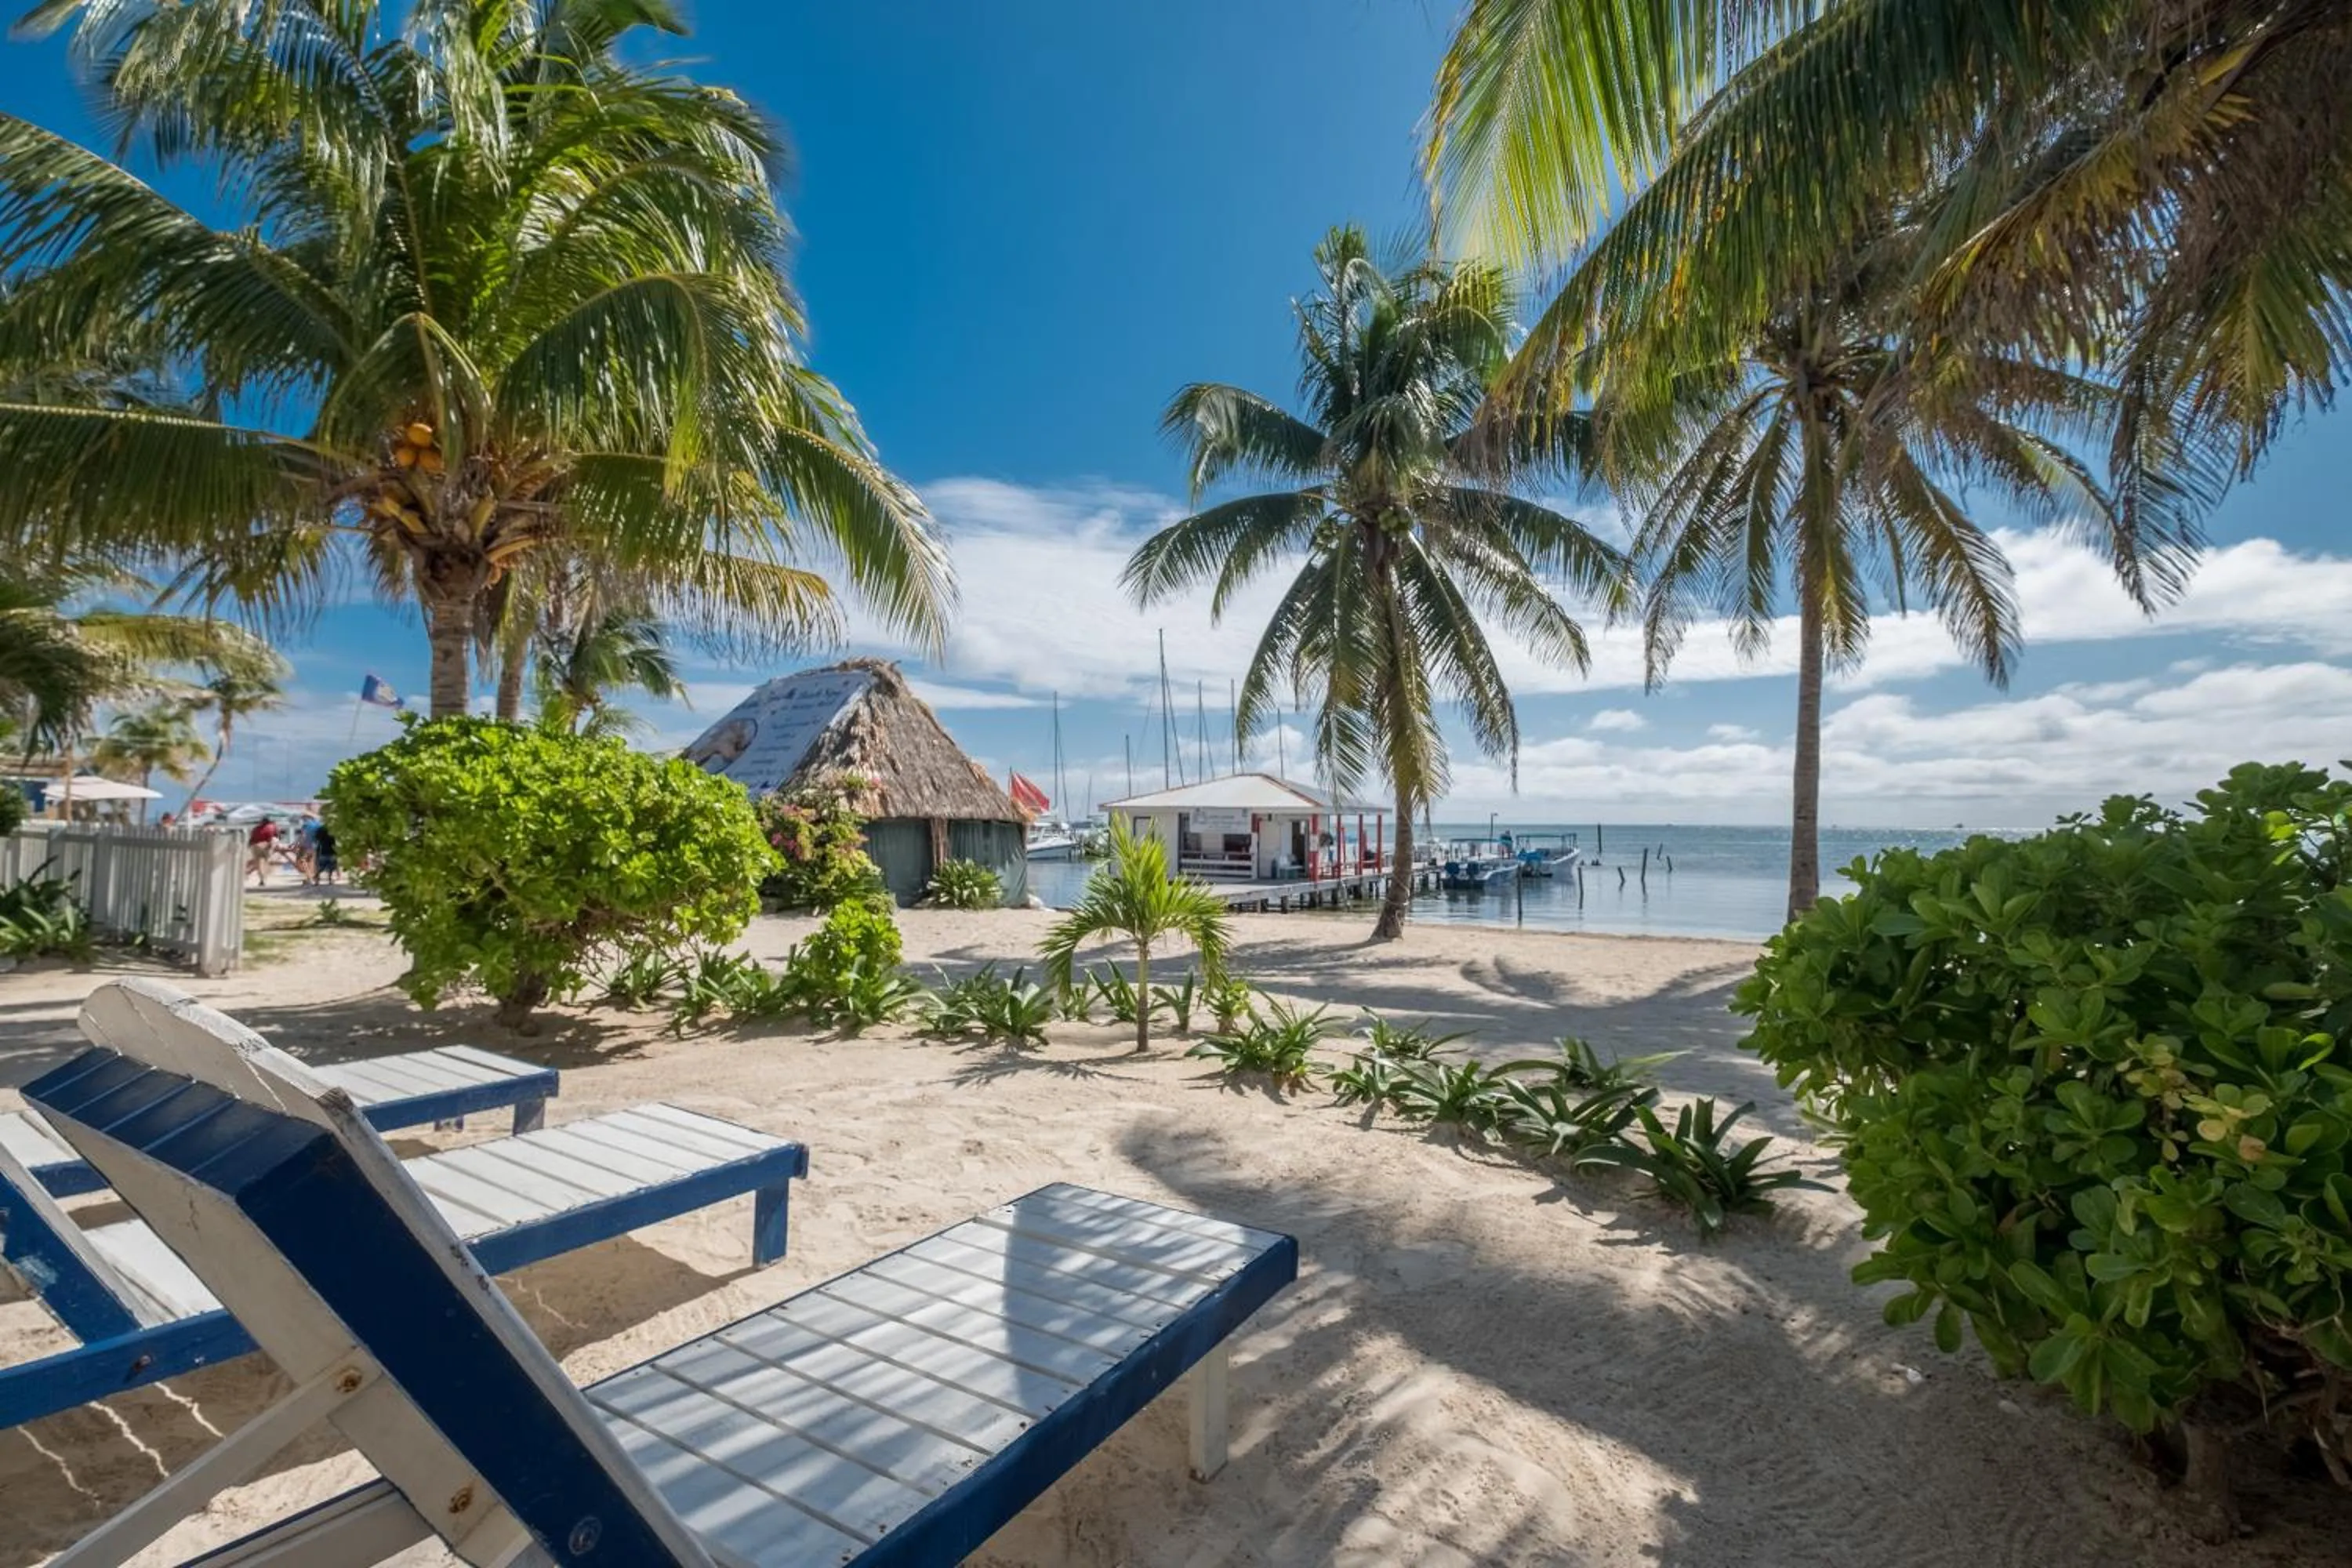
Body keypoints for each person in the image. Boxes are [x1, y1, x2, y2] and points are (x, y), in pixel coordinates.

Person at [246, 816, 278, 886]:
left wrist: (248, 846)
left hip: (256, 846)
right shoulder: (273, 826)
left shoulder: (256, 829)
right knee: (267, 863)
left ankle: (262, 879)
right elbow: (276, 837)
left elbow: (251, 839)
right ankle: (264, 878)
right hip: (267, 846)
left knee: (258, 865)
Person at [312, 821, 340, 886]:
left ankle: (317, 879)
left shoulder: (320, 829)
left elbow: (316, 839)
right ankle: (330, 880)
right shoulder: (333, 829)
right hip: (332, 850)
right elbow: (335, 841)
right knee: (331, 866)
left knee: (321, 867)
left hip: (322, 850)